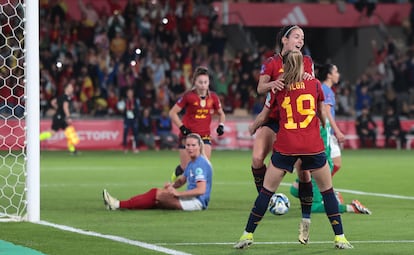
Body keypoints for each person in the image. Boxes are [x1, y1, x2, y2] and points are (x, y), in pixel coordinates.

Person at [234, 50, 353, 250]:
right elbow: (322, 113)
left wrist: (253, 127)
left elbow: (265, 115)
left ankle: (247, 234)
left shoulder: (278, 88)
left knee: (265, 191)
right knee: (327, 192)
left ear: (285, 66)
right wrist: (323, 127)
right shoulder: (315, 84)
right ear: (304, 66)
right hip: (312, 145)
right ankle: (339, 237)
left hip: (286, 145)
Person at [250, 25, 315, 244]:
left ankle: (305, 221)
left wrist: (307, 78)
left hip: (295, 122)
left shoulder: (307, 62)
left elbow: (312, 87)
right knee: (257, 159)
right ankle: (266, 199)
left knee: (304, 173)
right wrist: (272, 84)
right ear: (285, 40)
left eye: (303, 38)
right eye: (296, 36)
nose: (300, 41)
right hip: (273, 118)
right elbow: (260, 88)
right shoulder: (271, 63)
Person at [102, 133, 213, 211]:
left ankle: (117, 204)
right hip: (190, 199)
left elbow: (201, 190)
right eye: (188, 145)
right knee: (154, 198)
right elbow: (182, 181)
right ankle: (120, 204)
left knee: (156, 194)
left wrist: (178, 193)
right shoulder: (192, 162)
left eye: (193, 145)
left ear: (199, 146)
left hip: (196, 203)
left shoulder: (200, 164)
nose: (190, 148)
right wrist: (172, 186)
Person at [169, 66, 226, 181]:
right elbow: (172, 113)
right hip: (188, 136)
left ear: (209, 82)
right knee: (186, 168)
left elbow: (221, 114)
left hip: (204, 136)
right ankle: (178, 171)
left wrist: (221, 125)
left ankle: (198, 194)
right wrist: (182, 128)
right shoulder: (188, 96)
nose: (203, 85)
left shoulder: (213, 97)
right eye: (200, 82)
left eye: (205, 82)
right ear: (195, 82)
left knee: (205, 166)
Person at [318, 64, 344, 176]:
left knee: (334, 164)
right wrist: (337, 131)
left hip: (325, 131)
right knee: (332, 163)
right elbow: (327, 112)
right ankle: (319, 188)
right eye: (336, 72)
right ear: (329, 75)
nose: (338, 75)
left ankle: (322, 188)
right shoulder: (326, 91)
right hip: (325, 132)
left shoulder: (324, 89)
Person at [40, 82, 79, 155]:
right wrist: (68, 117)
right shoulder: (66, 97)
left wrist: (58, 109)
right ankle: (34, 141)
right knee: (53, 132)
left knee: (69, 131)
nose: (72, 88)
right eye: (71, 87)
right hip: (60, 118)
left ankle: (72, 150)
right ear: (66, 88)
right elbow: (65, 107)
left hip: (59, 116)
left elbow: (53, 102)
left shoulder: (61, 96)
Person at [120, 88, 140, 153]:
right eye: (129, 93)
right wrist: (123, 111)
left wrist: (134, 109)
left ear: (133, 94)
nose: (130, 94)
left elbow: (138, 110)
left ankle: (136, 147)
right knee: (125, 133)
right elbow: (121, 110)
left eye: (131, 93)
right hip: (127, 119)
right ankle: (125, 147)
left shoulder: (135, 101)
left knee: (135, 133)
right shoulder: (125, 101)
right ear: (127, 94)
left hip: (134, 119)